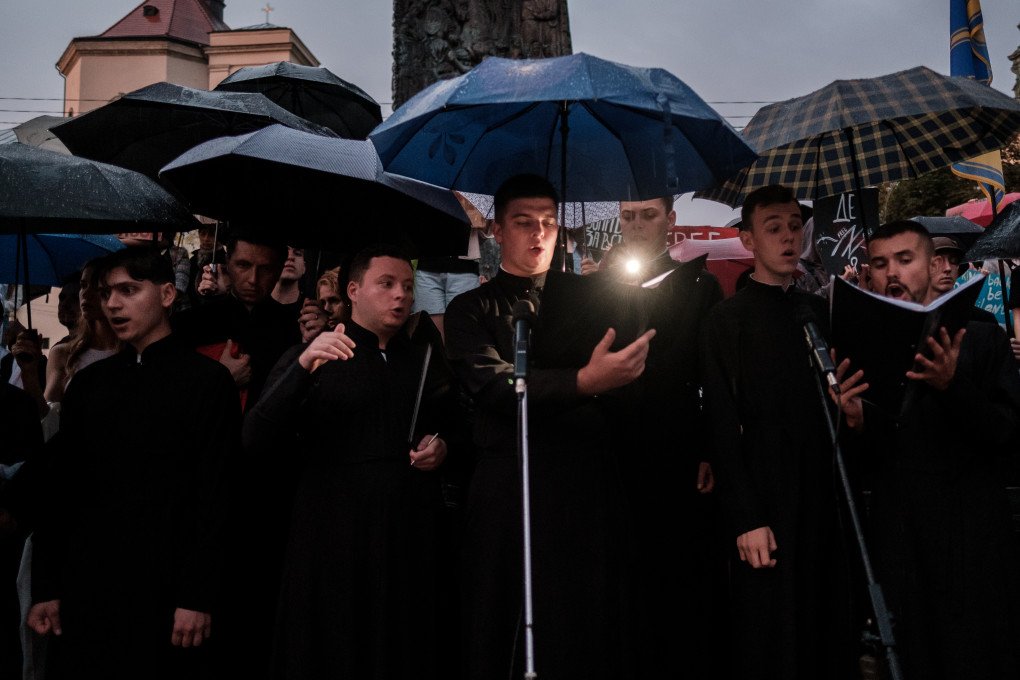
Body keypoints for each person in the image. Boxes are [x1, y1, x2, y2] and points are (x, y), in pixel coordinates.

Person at [444, 174, 656, 680]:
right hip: (508, 484)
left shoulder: (591, 298)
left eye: (548, 223)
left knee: (582, 620)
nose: (538, 234)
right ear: (496, 230)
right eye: (523, 223)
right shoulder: (469, 308)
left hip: (584, 487)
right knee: (506, 620)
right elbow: (494, 388)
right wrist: (583, 381)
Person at [244, 245, 458, 680]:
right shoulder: (316, 354)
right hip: (332, 533)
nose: (401, 295)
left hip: (405, 534)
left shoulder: (421, 361)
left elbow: (452, 427)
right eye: (387, 284)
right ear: (354, 290)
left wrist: (442, 447)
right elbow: (255, 437)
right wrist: (304, 364)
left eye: (407, 286)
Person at [26, 247, 239, 680]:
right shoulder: (88, 383)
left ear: (166, 295)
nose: (113, 304)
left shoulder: (207, 383)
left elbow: (216, 497)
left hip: (165, 595)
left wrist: (196, 595)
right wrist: (46, 588)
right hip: (88, 588)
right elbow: (60, 490)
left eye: (129, 290)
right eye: (107, 293)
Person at [834, 220, 1020, 680]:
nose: (891, 272)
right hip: (901, 546)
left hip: (971, 545)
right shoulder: (860, 351)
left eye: (904, 259)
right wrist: (853, 421)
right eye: (879, 263)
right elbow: (860, 466)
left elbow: (1007, 434)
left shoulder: (981, 337)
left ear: (931, 264)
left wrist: (951, 385)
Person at [700, 185, 859, 680]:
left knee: (827, 624)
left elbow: (838, 404)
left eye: (795, 226)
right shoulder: (727, 320)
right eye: (774, 228)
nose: (789, 237)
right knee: (771, 631)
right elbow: (721, 424)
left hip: (825, 492)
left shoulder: (817, 311)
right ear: (747, 240)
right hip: (765, 492)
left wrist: (849, 413)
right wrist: (745, 517)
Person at [582, 195, 725, 676]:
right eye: (628, 216)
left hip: (677, 450)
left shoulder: (701, 287)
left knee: (676, 572)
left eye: (648, 215)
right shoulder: (598, 286)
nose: (637, 225)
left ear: (670, 220)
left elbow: (714, 376)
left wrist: (709, 448)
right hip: (611, 450)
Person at [174, 230, 299, 411]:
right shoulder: (192, 323)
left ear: (279, 269)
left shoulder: (293, 327)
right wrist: (221, 379)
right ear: (228, 263)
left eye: (265, 269)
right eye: (243, 265)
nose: (253, 279)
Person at [44, 261, 120, 406]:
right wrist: (29, 375)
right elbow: (48, 417)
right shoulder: (63, 353)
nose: (85, 293)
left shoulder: (133, 351)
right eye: (83, 285)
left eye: (96, 286)